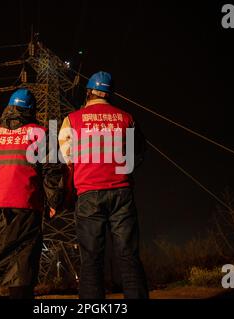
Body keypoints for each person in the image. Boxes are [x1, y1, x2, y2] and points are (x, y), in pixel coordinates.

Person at [0, 88, 63, 299]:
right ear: (32, 110)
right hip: (26, 208)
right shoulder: (41, 133)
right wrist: (54, 201)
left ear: (9, 108)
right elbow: (53, 170)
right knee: (22, 267)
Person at [58, 71, 148, 299]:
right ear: (110, 94)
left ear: (88, 92)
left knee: (91, 260)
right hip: (121, 193)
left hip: (88, 195)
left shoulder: (73, 119)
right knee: (129, 256)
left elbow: (66, 159)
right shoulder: (127, 118)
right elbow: (138, 153)